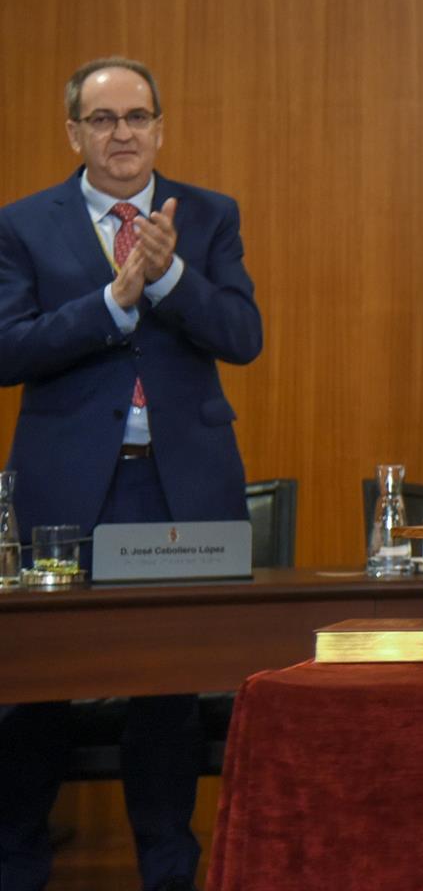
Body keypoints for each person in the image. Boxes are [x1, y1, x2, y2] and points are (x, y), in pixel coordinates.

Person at [0, 57, 263, 891]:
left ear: (161, 127)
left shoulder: (209, 217)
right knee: (34, 691)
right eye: (104, 119)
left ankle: (169, 873)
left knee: (169, 689)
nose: (123, 134)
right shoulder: (22, 225)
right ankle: (18, 867)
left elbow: (243, 335)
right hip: (66, 486)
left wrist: (174, 275)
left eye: (137, 117)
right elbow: (9, 348)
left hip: (178, 484)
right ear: (74, 132)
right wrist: (114, 302)